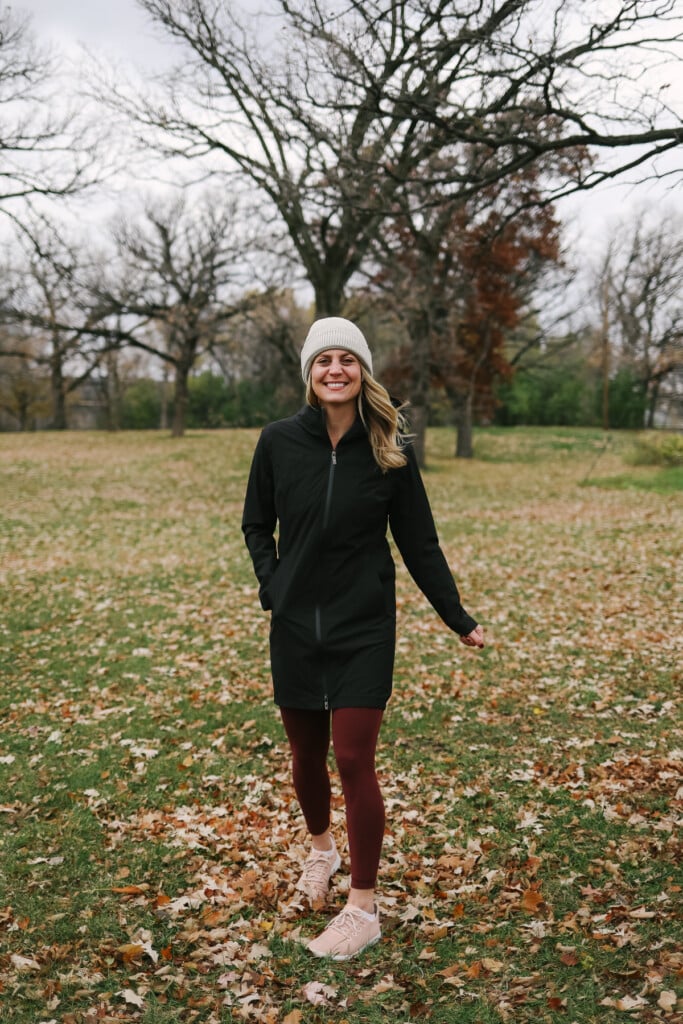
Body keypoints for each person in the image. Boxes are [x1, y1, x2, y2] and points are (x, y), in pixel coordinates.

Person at [242, 316, 484, 961]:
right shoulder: (277, 442)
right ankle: (321, 848)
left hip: (363, 625)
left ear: (363, 371)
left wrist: (456, 615)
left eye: (347, 360)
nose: (335, 371)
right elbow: (256, 524)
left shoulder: (389, 448)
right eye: (324, 361)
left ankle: (363, 906)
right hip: (294, 627)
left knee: (352, 757)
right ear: (309, 373)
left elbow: (419, 542)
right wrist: (274, 588)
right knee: (304, 754)